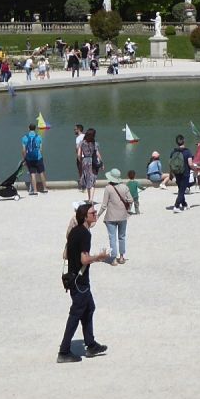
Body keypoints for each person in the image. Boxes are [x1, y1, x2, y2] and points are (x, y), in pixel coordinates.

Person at [58, 202, 110, 362]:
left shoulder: (75, 231)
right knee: (76, 313)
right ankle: (64, 351)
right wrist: (99, 257)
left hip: (74, 278)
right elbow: (84, 259)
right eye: (92, 213)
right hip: (79, 281)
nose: (95, 215)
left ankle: (91, 344)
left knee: (89, 308)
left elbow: (65, 254)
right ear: (84, 217)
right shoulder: (85, 234)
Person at [99, 169, 131, 264]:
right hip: (122, 216)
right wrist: (128, 211)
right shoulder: (125, 187)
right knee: (122, 236)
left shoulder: (108, 188)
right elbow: (131, 200)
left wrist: (98, 215)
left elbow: (104, 205)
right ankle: (121, 257)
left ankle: (113, 259)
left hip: (111, 217)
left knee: (112, 237)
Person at [168, 135, 193, 212]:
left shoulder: (173, 152)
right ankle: (176, 206)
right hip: (185, 173)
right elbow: (190, 164)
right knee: (182, 190)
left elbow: (170, 163)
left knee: (181, 189)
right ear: (184, 140)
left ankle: (184, 204)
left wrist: (170, 173)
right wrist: (196, 168)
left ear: (176, 142)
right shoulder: (187, 152)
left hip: (176, 173)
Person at [22, 121, 47, 195]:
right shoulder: (39, 137)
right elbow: (41, 149)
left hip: (29, 158)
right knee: (41, 172)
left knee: (33, 174)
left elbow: (23, 150)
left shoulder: (25, 137)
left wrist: (24, 158)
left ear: (28, 128)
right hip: (38, 157)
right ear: (35, 129)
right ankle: (45, 189)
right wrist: (40, 156)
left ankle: (35, 190)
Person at [79, 128, 100, 202]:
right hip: (93, 161)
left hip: (85, 161)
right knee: (93, 179)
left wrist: (81, 161)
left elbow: (79, 155)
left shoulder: (81, 143)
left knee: (87, 179)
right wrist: (101, 162)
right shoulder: (95, 143)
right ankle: (91, 198)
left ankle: (89, 198)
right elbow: (97, 154)